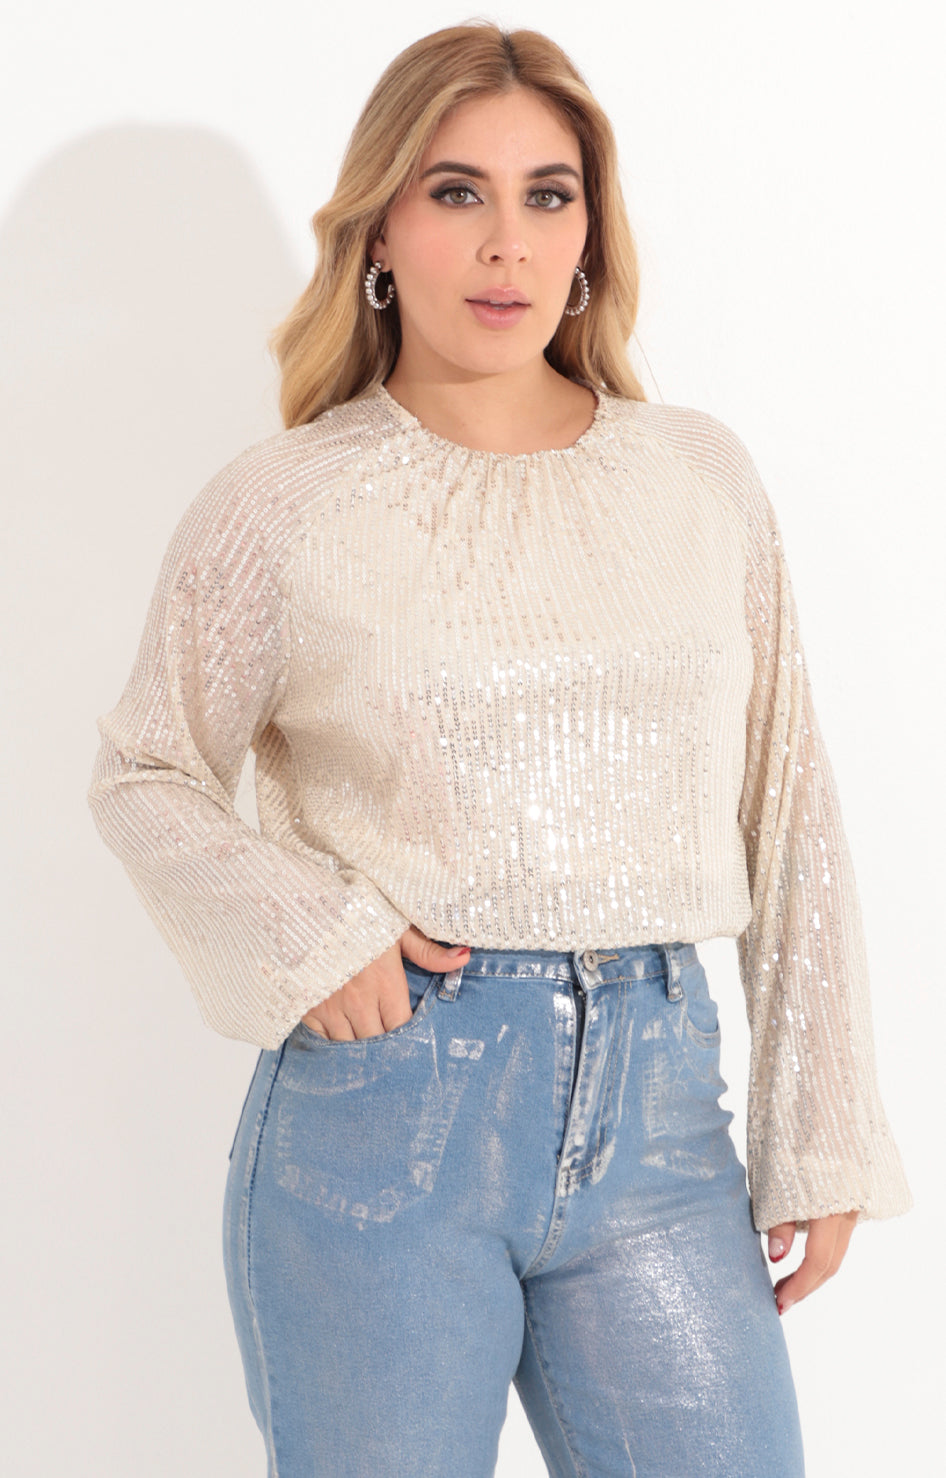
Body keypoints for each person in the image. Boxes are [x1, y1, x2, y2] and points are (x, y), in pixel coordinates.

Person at [87, 22, 910, 1478]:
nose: (505, 243)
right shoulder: (284, 500)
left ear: (590, 234)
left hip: (662, 1124)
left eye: (549, 194)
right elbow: (145, 769)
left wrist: (821, 1124)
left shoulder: (695, 475)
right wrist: (314, 932)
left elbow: (788, 804)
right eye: (456, 190)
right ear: (379, 230)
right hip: (381, 1121)